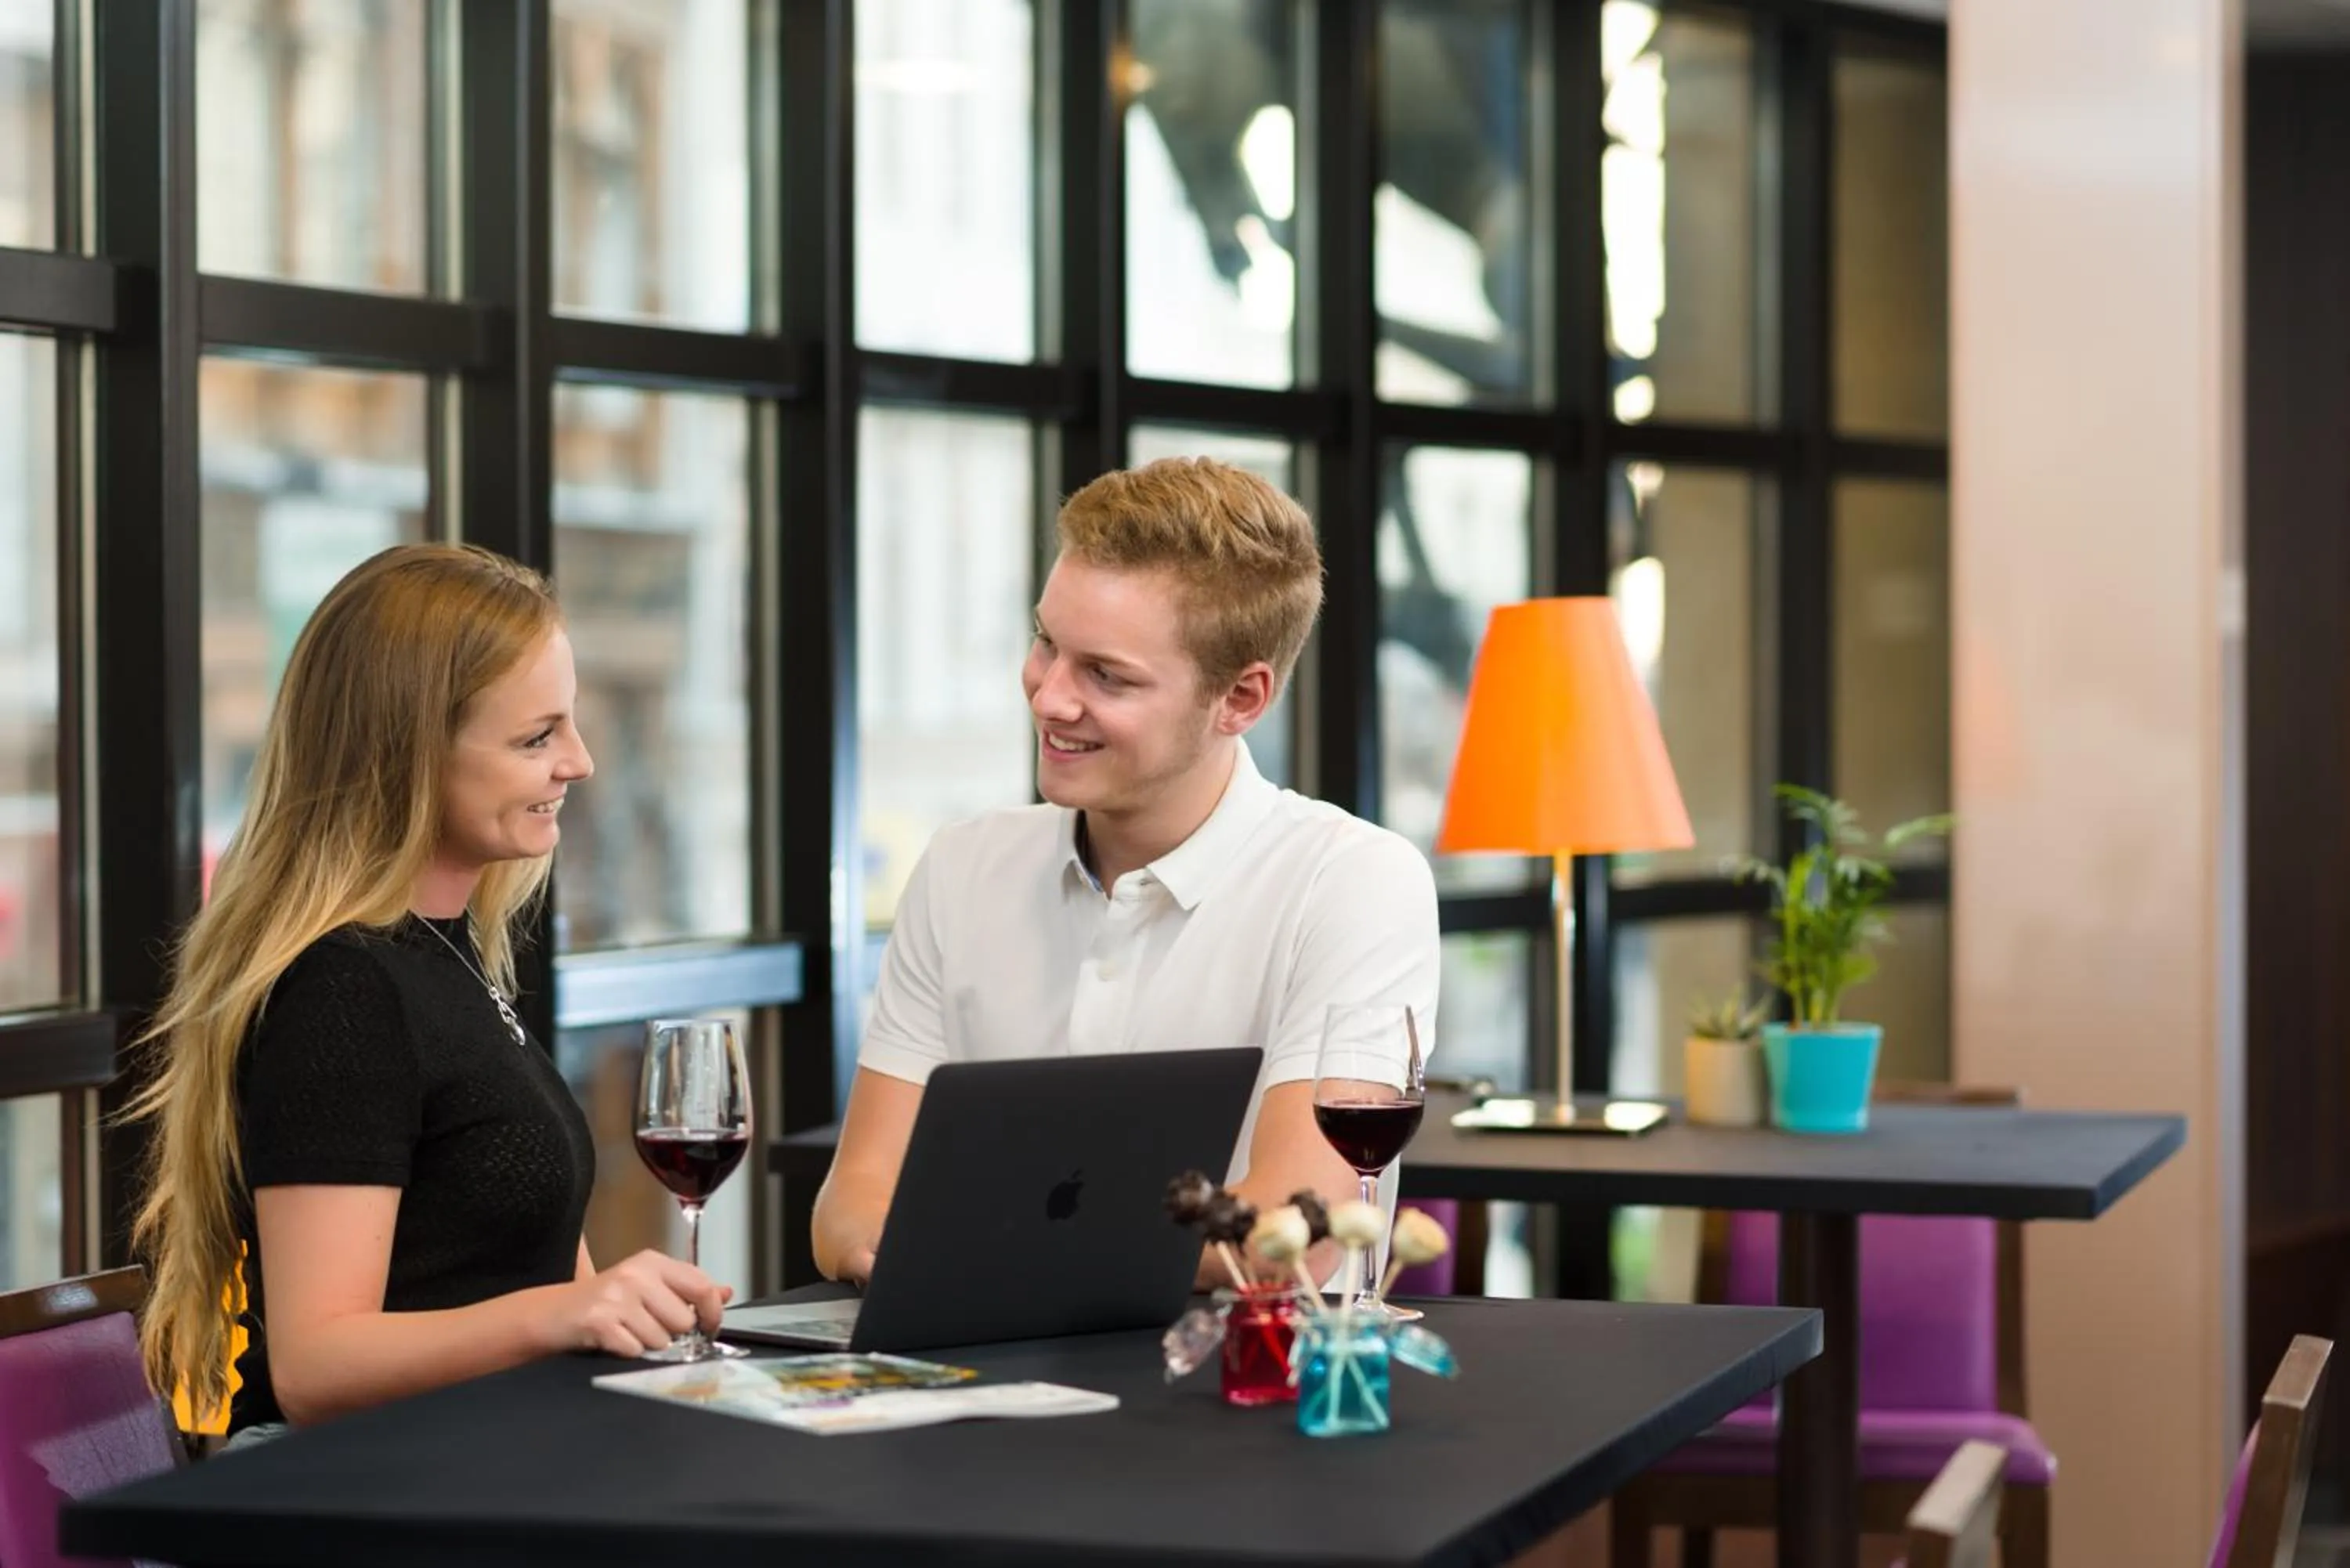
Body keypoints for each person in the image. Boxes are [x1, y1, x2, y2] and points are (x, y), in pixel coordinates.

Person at [129, 544, 730, 1442]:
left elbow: (539, 1279)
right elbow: (317, 1368)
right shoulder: (343, 988)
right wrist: (566, 1314)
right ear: (409, 755)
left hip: (486, 1464)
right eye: (538, 736)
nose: (581, 762)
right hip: (368, 1501)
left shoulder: (452, 957)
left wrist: (622, 1308)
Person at [812, 458, 1441, 1288]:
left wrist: (979, 1241)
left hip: (1240, 1400)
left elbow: (1295, 1230)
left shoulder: (1355, 881)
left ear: (1242, 699)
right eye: (1046, 643)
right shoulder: (963, 867)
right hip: (977, 1388)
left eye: (1106, 675)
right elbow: (851, 1206)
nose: (1049, 697)